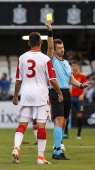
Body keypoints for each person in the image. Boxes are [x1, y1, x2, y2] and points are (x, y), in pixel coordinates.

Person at [11, 32, 63, 164]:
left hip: (26, 94)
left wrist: (16, 96)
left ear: (29, 43)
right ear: (41, 42)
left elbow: (18, 81)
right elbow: (52, 79)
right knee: (41, 126)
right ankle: (40, 157)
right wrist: (59, 93)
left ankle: (17, 148)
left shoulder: (22, 58)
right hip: (41, 95)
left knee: (22, 125)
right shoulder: (45, 59)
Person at [46, 21, 89, 160]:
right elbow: (50, 45)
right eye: (59, 47)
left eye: (63, 47)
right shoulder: (51, 59)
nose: (62, 49)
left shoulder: (65, 62)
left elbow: (71, 79)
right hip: (56, 91)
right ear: (55, 49)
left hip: (66, 93)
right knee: (58, 120)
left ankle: (56, 149)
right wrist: (50, 30)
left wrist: (81, 85)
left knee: (63, 122)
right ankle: (58, 151)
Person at [64, 60, 87, 139]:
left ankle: (78, 134)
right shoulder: (70, 75)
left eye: (75, 65)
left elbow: (84, 86)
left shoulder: (82, 75)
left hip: (79, 98)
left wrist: (83, 95)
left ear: (78, 66)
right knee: (67, 115)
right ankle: (66, 133)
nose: (74, 67)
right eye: (72, 66)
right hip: (71, 97)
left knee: (79, 116)